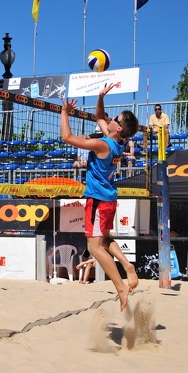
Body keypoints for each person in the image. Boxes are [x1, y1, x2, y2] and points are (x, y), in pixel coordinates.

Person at [61, 83, 139, 310]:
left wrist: (64, 112)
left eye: (115, 118)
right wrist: (101, 96)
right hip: (109, 199)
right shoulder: (117, 143)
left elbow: (67, 137)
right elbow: (98, 116)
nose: (111, 119)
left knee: (94, 248)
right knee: (104, 240)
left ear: (119, 129)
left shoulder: (102, 144)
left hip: (97, 200)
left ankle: (121, 287)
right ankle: (127, 265)